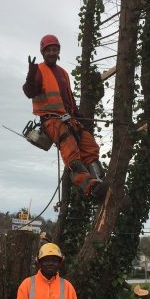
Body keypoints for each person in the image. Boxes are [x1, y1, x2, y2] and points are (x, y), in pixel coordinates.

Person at [24, 34, 108, 201]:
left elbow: (68, 99)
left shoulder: (63, 73)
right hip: (52, 121)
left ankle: (101, 181)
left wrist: (79, 117)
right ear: (43, 52)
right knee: (72, 157)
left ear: (58, 51)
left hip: (69, 119)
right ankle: (92, 188)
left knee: (90, 147)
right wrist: (30, 76)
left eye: (54, 49)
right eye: (48, 50)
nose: (52, 53)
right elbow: (29, 92)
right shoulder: (39, 70)